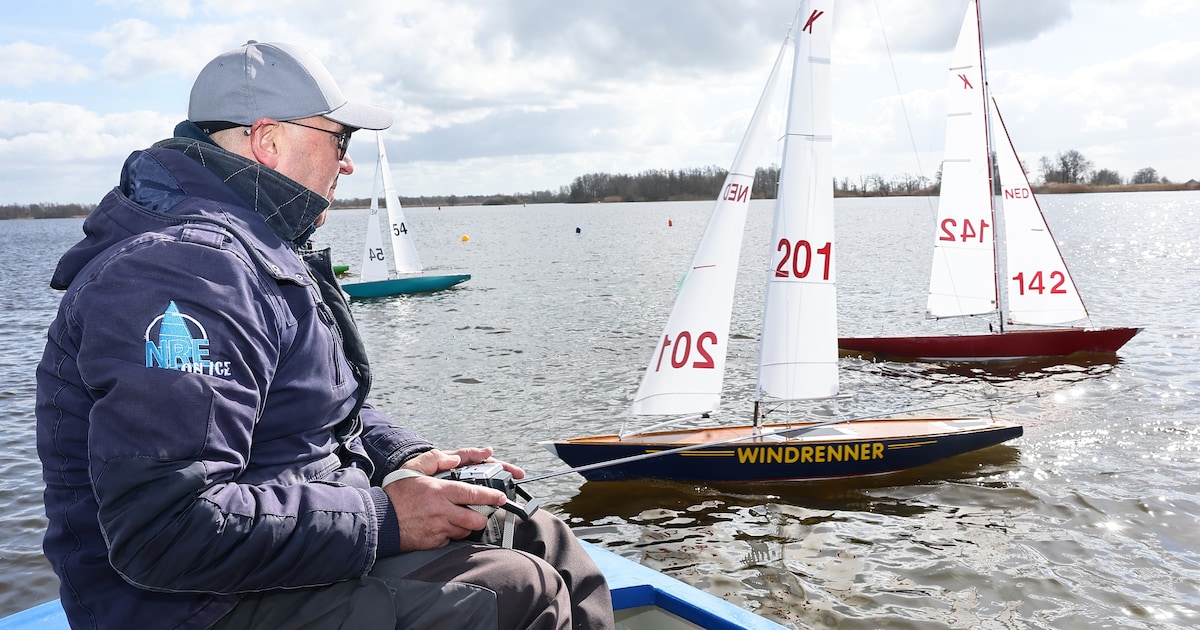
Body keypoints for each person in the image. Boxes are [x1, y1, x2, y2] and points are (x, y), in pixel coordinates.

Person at [35, 40, 613, 630]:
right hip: (191, 608)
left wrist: (403, 456)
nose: (347, 164)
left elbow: (316, 407)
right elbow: (166, 529)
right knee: (518, 588)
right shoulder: (185, 273)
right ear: (268, 142)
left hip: (274, 556)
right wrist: (387, 517)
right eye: (340, 140)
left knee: (537, 532)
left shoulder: (257, 251)